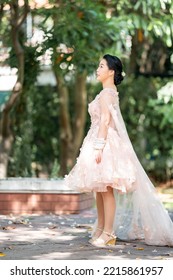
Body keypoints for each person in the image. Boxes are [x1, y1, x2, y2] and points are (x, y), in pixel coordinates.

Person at [64, 54, 173, 247]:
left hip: (105, 142)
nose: (98, 69)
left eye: (101, 66)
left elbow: (106, 120)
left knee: (105, 190)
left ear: (111, 72)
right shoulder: (108, 91)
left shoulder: (107, 93)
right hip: (99, 139)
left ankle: (108, 233)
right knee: (99, 189)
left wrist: (99, 146)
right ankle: (100, 229)